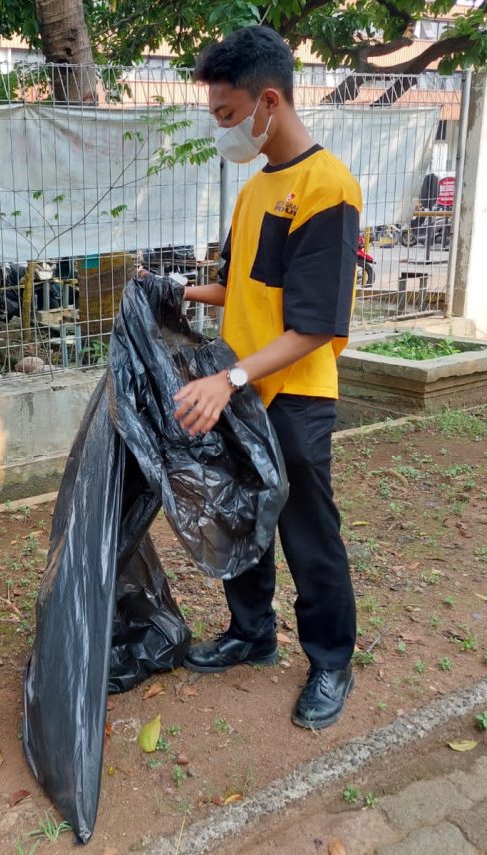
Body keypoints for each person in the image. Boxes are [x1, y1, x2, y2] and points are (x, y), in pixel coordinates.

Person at [172, 26, 361, 730]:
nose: (223, 129)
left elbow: (314, 323)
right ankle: (252, 632)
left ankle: (330, 659)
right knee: (242, 516)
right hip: (241, 386)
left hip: (294, 393)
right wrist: (175, 291)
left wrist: (231, 380)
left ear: (269, 101)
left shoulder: (327, 188)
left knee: (309, 532)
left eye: (227, 115)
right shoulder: (254, 192)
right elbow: (242, 291)